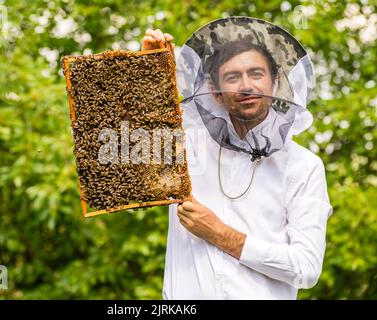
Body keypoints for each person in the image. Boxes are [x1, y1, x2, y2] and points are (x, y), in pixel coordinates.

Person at [141, 17, 333, 300]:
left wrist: (220, 233)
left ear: (275, 81)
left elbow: (306, 268)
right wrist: (147, 74)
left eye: (256, 73)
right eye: (232, 77)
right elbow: (129, 168)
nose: (245, 86)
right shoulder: (187, 149)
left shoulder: (303, 167)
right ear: (216, 93)